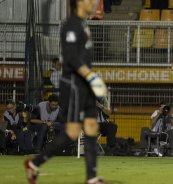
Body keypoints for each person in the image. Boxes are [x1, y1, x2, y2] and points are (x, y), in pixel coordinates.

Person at [24, 0, 107, 184]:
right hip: (73, 86)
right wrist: (92, 78)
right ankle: (35, 163)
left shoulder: (83, 25)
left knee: (92, 127)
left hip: (84, 85)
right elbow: (71, 58)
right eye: (90, 0)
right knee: (72, 132)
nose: (94, 3)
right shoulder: (70, 25)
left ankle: (92, 178)